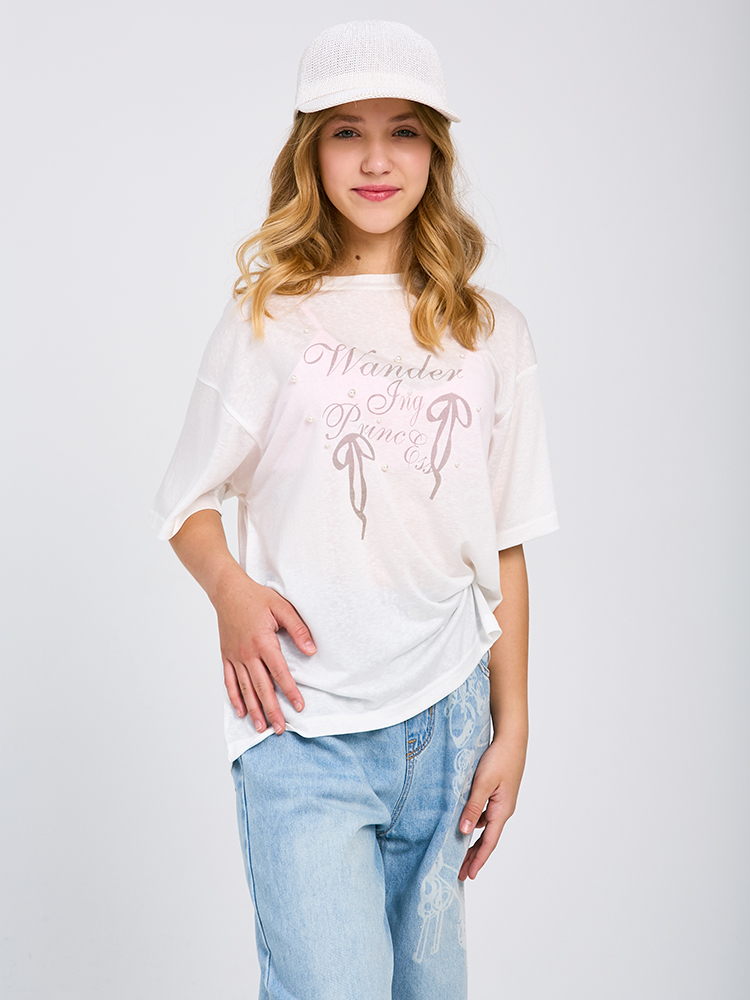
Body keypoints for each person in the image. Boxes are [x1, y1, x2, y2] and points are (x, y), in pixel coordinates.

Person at [151, 19, 558, 1000]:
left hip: (449, 718)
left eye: (403, 130)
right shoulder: (266, 321)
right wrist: (231, 592)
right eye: (347, 132)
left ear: (435, 151)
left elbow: (503, 544)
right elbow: (186, 503)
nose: (377, 160)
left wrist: (512, 728)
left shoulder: (490, 332)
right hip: (305, 729)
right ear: (311, 151)